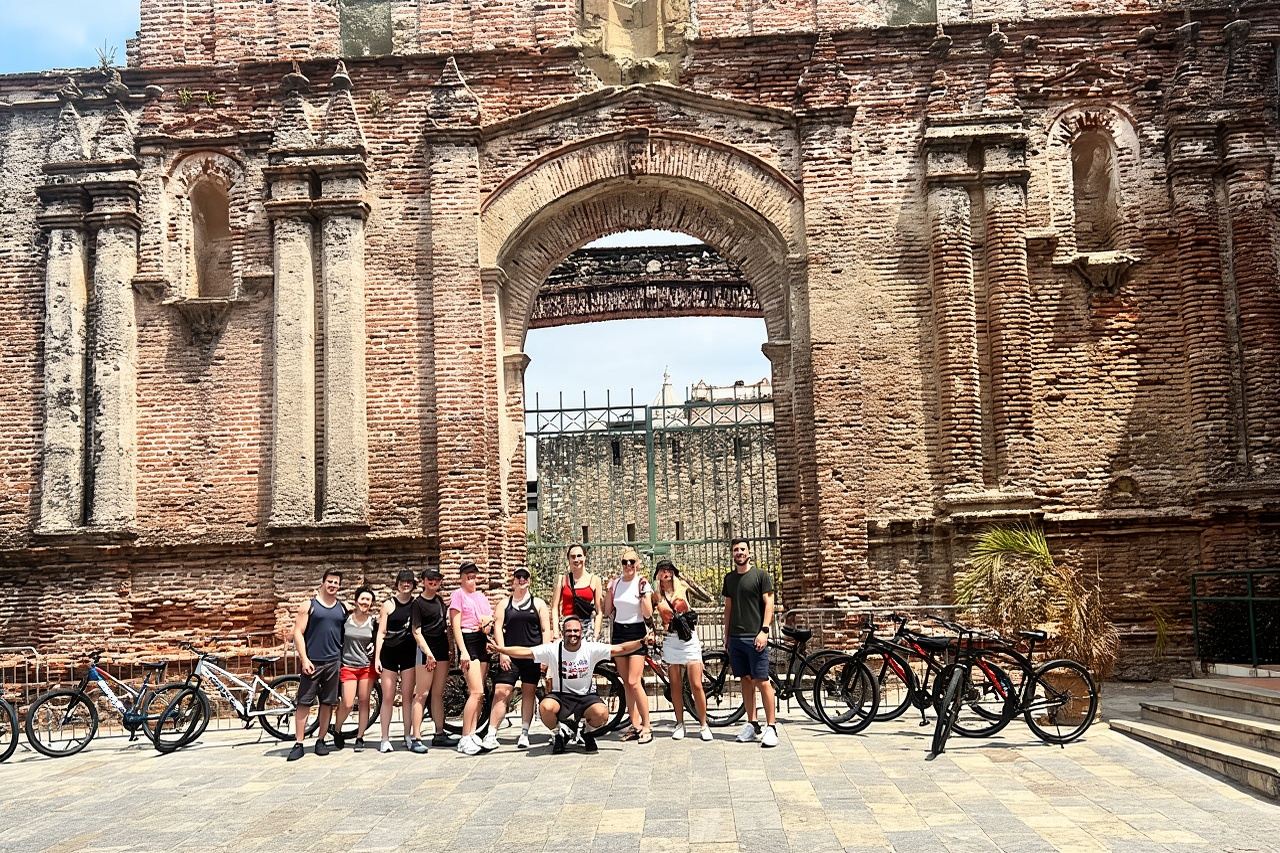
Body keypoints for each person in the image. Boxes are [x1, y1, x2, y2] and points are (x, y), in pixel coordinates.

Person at [488, 615, 650, 754]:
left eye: (576, 631)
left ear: (581, 632)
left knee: (602, 713)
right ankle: (560, 731)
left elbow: (619, 648)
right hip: (561, 696)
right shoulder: (553, 649)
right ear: (563, 633)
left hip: (585, 697)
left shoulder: (590, 648)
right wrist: (502, 650)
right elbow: (527, 652)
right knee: (545, 707)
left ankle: (586, 732)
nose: (573, 634)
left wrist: (641, 643)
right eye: (569, 631)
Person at [481, 567, 551, 751]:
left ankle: (525, 733)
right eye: (518, 577)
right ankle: (491, 733)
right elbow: (497, 627)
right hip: (511, 656)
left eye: (525, 577)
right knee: (501, 692)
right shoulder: (504, 604)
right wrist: (503, 652)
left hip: (532, 655)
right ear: (513, 580)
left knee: (529, 692)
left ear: (529, 580)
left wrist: (544, 654)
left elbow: (545, 630)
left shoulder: (539, 604)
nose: (521, 580)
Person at [721, 538, 778, 748]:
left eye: (742, 549)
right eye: (736, 550)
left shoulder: (761, 575)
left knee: (762, 680)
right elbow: (728, 608)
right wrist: (726, 635)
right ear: (732, 554)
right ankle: (752, 724)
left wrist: (764, 630)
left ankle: (771, 726)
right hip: (736, 638)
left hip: (756, 636)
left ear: (749, 552)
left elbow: (769, 603)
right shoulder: (729, 579)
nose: (739, 552)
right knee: (745, 680)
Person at [652, 559, 713, 742]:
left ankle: (704, 724)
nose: (666, 573)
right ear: (658, 574)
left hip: (688, 639)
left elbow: (707, 597)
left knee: (696, 684)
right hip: (670, 640)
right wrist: (653, 630)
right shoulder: (656, 595)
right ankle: (680, 723)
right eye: (662, 570)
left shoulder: (683, 587)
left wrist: (688, 579)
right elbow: (647, 613)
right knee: (676, 685)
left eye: (669, 570)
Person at [288, 569, 345, 761]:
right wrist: (304, 659)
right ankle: (299, 743)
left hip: (333, 662)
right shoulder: (309, 605)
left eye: (336, 583)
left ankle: (321, 740)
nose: (333, 585)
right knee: (304, 702)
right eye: (330, 581)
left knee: (328, 702)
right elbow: (298, 632)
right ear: (323, 582)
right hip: (313, 661)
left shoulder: (341, 608)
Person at [604, 547, 653, 743]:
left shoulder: (642, 583)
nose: (629, 566)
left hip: (636, 631)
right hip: (619, 633)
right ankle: (635, 724)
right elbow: (608, 610)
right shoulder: (616, 584)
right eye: (625, 562)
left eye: (632, 562)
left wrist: (642, 595)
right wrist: (608, 591)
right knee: (626, 683)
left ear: (638, 563)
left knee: (634, 681)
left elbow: (648, 613)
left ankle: (647, 725)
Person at [450, 561, 494, 756]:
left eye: (474, 573)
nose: (471, 576)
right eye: (467, 573)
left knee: (480, 694)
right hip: (467, 640)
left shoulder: (481, 596)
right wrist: (463, 651)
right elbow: (455, 626)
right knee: (476, 692)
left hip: (480, 639)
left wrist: (488, 624)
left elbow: (487, 624)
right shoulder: (457, 595)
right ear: (461, 577)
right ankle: (465, 736)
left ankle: (473, 732)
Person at [375, 570, 420, 754]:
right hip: (389, 654)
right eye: (403, 581)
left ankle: (407, 735)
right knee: (388, 696)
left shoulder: (415, 605)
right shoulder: (388, 605)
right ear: (398, 584)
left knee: (408, 696)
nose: (406, 584)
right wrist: (377, 657)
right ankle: (384, 738)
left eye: (409, 582)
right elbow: (381, 632)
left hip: (409, 653)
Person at [410, 566, 455, 748]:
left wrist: (450, 648)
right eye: (430, 578)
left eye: (437, 579)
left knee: (437, 694)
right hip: (425, 652)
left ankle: (439, 733)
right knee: (422, 694)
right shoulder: (417, 604)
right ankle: (416, 738)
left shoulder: (439, 601)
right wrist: (428, 653)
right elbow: (416, 631)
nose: (433, 581)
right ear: (423, 581)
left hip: (442, 651)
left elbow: (445, 626)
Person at [332, 585, 377, 752]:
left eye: (368, 600)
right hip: (348, 665)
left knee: (364, 701)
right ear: (356, 600)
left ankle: (360, 737)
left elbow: (379, 639)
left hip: (366, 666)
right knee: (348, 702)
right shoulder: (346, 620)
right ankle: (337, 729)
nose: (365, 602)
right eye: (363, 599)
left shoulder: (373, 622)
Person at [551, 544, 604, 642]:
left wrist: (595, 635)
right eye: (573, 557)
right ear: (569, 559)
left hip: (587, 627)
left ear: (585, 557)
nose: (576, 560)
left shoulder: (594, 580)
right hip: (567, 626)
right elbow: (554, 607)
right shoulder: (562, 580)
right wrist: (556, 633)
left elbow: (599, 611)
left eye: (579, 556)